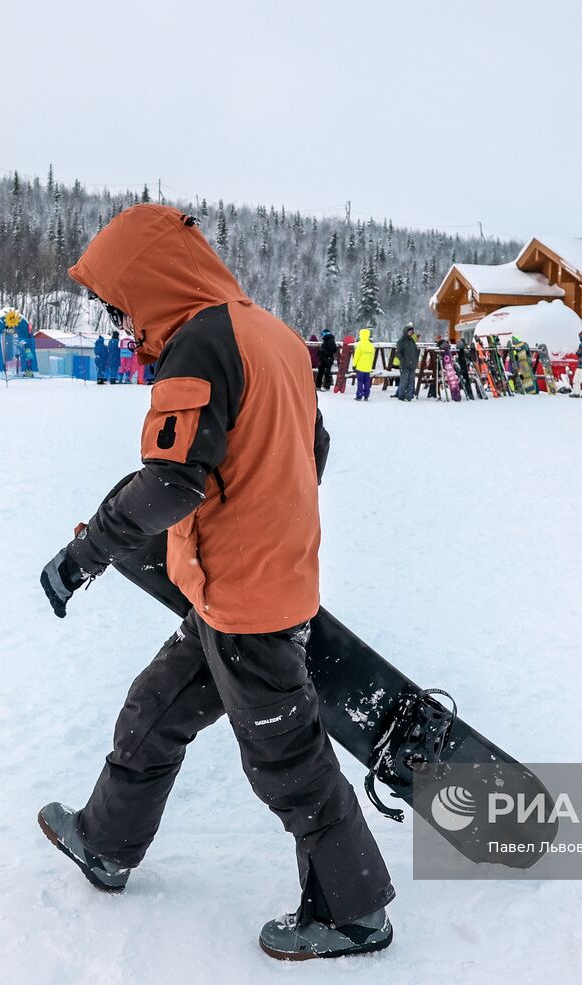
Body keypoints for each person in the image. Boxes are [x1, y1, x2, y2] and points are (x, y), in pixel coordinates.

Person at [37, 204, 393, 961]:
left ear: (153, 282)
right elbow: (313, 445)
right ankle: (106, 841)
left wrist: (85, 554)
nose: (129, 330)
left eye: (126, 308)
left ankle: (354, 912)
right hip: (237, 590)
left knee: (287, 760)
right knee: (154, 708)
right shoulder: (273, 334)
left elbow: (171, 483)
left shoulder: (201, 341)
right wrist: (262, 519)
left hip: (246, 602)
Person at [394, 324, 418, 401]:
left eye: (411, 331)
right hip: (404, 365)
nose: (410, 333)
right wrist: (403, 360)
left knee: (411, 381)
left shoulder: (412, 341)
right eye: (409, 331)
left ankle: (409, 396)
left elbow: (415, 351)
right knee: (404, 381)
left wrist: (416, 359)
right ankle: (401, 396)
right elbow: (398, 353)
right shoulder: (401, 341)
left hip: (412, 364)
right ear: (406, 332)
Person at [352, 327, 375, 400]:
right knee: (367, 382)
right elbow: (372, 357)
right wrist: (370, 365)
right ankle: (366, 395)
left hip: (360, 367)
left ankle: (359, 395)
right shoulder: (371, 345)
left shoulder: (360, 345)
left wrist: (354, 365)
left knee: (360, 382)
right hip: (368, 367)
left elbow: (356, 356)